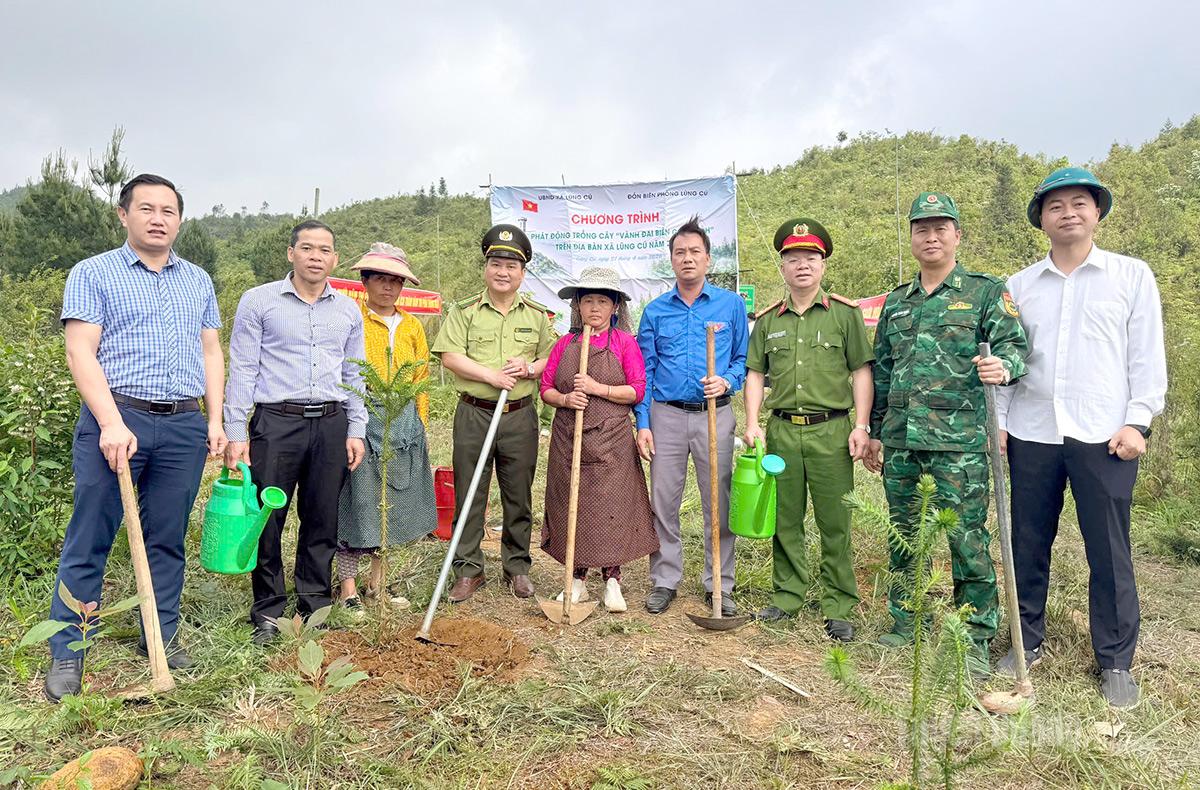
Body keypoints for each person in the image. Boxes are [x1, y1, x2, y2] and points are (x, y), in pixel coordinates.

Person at [45, 174, 226, 701]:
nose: (157, 218)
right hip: (116, 419)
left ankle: (161, 633)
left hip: (182, 424)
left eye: (168, 211)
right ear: (123, 215)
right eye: (146, 208)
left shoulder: (197, 280)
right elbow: (81, 351)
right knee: (92, 532)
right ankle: (69, 647)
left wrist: (213, 420)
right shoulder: (94, 273)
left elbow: (211, 351)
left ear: (180, 221)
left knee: (167, 536)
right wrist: (109, 421)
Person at [994, 167, 1166, 708]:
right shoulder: (1018, 287)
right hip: (1033, 431)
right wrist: (998, 422)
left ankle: (1115, 660)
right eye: (1055, 205)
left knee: (1109, 550)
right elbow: (1005, 358)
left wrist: (1138, 421)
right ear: (1040, 220)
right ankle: (1026, 641)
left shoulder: (1131, 276)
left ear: (1096, 212)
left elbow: (1146, 355)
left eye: (1079, 203)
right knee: (1027, 543)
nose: (1068, 212)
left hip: (1105, 435)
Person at [866, 192, 1028, 675]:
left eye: (941, 228)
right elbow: (884, 373)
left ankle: (975, 634)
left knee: (966, 541)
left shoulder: (984, 292)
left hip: (960, 445)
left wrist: (1004, 366)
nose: (930, 237)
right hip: (902, 443)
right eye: (921, 228)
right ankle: (905, 622)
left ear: (957, 234)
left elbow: (1016, 349)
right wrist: (876, 432)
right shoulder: (896, 302)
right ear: (911, 237)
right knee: (904, 537)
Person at [224, 220, 367, 644]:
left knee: (322, 516)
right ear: (291, 253)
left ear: (335, 259)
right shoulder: (259, 302)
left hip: (330, 422)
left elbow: (354, 373)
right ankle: (268, 610)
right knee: (269, 516)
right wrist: (236, 431)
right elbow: (243, 368)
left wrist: (355, 428)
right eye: (307, 248)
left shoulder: (347, 310)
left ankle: (314, 603)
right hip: (275, 422)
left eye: (325, 250)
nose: (316, 256)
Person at [743, 219, 874, 641]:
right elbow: (755, 376)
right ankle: (787, 596)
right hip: (782, 432)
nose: (802, 265)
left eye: (811, 258)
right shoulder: (766, 321)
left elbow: (860, 372)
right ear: (782, 267)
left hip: (832, 432)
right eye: (793, 258)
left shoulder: (845, 315)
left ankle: (839, 603)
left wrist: (861, 424)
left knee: (835, 521)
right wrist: (752, 424)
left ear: (823, 265)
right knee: (786, 519)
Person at [431, 224, 556, 602]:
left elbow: (552, 358)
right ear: (486, 267)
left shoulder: (537, 316)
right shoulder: (465, 311)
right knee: (470, 492)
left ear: (523, 272)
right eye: (496, 263)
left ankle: (516, 566)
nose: (503, 271)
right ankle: (468, 569)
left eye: (511, 266)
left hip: (519, 416)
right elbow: (450, 355)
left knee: (518, 494)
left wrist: (530, 368)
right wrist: (491, 375)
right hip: (474, 413)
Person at [636, 216, 750, 616]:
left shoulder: (730, 305)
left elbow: (743, 359)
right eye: (679, 252)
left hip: (714, 416)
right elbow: (645, 372)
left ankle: (719, 583)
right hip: (666, 416)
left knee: (717, 501)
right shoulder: (654, 312)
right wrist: (644, 423)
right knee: (662, 500)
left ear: (708, 259)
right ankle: (665, 579)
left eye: (694, 252)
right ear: (671, 260)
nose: (687, 259)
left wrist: (727, 382)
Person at [540, 267, 659, 612]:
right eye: (588, 300)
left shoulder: (624, 343)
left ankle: (612, 580)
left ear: (615, 307)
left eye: (602, 301)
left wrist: (597, 389)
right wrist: (565, 400)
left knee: (611, 508)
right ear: (577, 306)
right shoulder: (564, 344)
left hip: (611, 440)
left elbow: (637, 390)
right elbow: (546, 387)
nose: (594, 308)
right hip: (568, 438)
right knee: (570, 506)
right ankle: (576, 580)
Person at [335, 243, 437, 618]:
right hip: (362, 415)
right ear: (364, 281)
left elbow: (422, 376)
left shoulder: (411, 325)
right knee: (356, 502)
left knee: (391, 503)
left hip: (404, 418)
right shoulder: (351, 317)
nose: (388, 287)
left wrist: (420, 421)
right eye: (380, 279)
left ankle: (379, 583)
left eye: (396, 281)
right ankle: (348, 589)